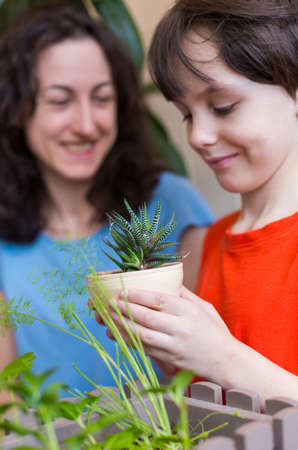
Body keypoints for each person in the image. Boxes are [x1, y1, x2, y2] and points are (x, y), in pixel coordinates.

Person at [0, 3, 214, 398]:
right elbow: (7, 408)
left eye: (102, 99)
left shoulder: (173, 206)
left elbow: (211, 372)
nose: (86, 125)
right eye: (60, 101)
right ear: (17, 108)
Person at [101, 0, 298, 406]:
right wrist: (171, 345)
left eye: (223, 106)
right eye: (187, 115)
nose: (198, 137)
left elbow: (231, 360)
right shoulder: (215, 240)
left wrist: (223, 356)